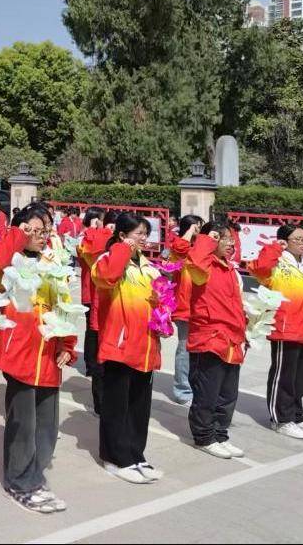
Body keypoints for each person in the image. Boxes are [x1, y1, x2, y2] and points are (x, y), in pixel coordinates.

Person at [0, 204, 76, 513]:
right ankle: (19, 482)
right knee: (23, 424)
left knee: (47, 424)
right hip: (21, 353)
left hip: (48, 353)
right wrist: (17, 234)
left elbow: (64, 305)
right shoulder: (11, 261)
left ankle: (35, 476)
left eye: (45, 230)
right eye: (34, 230)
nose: (41, 236)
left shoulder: (53, 262)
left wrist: (68, 344)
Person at [92, 213, 162, 484]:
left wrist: (162, 310)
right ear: (122, 235)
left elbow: (162, 300)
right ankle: (114, 457)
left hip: (145, 346)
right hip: (119, 345)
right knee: (116, 405)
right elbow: (108, 278)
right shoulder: (107, 260)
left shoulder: (149, 267)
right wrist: (122, 249)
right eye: (138, 234)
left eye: (146, 233)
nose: (143, 239)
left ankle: (135, 454)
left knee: (139, 406)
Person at [248, 225, 303, 440]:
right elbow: (259, 268)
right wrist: (276, 247)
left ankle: (297, 415)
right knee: (284, 375)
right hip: (287, 326)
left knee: (302, 376)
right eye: (298, 239)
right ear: (284, 241)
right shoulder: (277, 262)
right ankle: (281, 419)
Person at [184, 221, 248, 460]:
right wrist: (206, 238)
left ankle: (220, 434)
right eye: (223, 238)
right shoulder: (204, 266)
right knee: (207, 394)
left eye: (231, 239)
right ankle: (204, 437)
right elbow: (194, 262)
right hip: (209, 338)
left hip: (231, 338)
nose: (230, 243)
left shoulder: (229, 269)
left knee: (228, 394)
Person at [168, 215, 203, 406]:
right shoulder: (179, 248)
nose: (200, 230)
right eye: (197, 227)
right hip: (185, 307)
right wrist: (190, 231)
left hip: (202, 307)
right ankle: (183, 390)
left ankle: (197, 387)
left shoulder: (201, 250)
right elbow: (180, 247)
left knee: (200, 351)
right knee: (185, 349)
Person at [76, 207, 107, 414]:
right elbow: (88, 254)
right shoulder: (85, 238)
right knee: (91, 330)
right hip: (89, 290)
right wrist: (96, 230)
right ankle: (89, 363)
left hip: (98, 293)